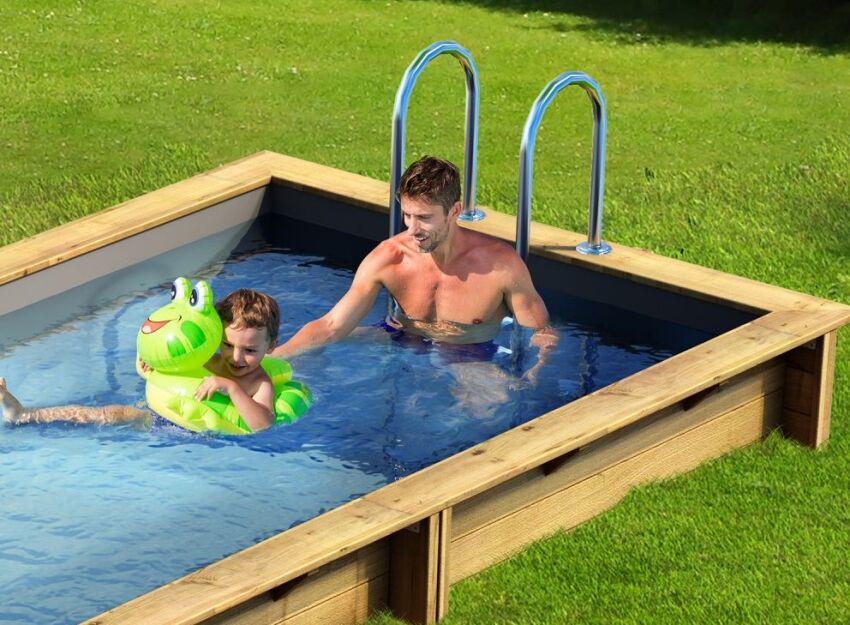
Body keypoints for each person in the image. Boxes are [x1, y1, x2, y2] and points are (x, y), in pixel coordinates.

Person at [272, 155, 555, 361]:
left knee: (492, 406)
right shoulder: (389, 257)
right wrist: (272, 361)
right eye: (407, 215)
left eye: (424, 218)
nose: (412, 229)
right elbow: (331, 325)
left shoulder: (500, 267)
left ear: (455, 211)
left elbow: (541, 335)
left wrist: (530, 378)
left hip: (469, 355)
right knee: (312, 351)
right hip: (400, 338)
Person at [1, 288, 281, 432]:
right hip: (160, 415)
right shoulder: (207, 358)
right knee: (108, 414)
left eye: (249, 350)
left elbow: (263, 424)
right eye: (228, 345)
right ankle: (26, 414)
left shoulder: (259, 383)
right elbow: (176, 380)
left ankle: (27, 416)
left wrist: (231, 387)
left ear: (270, 347)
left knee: (114, 416)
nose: (236, 357)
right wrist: (149, 371)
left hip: (196, 430)